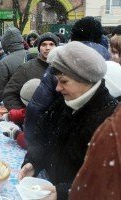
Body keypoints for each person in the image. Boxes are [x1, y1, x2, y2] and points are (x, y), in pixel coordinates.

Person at [19, 41, 118, 200]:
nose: (57, 88)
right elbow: (42, 138)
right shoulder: (63, 103)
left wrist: (65, 192)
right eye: (57, 80)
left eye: (63, 81)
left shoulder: (110, 119)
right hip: (51, 188)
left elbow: (106, 180)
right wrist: (33, 161)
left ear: (86, 80)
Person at [24, 16, 112, 143]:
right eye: (44, 44)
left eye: (64, 81)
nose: (58, 87)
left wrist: (32, 145)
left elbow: (37, 107)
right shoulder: (109, 59)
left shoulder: (65, 61)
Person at [68, 104, 121, 200]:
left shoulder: (111, 126)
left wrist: (61, 191)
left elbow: (89, 189)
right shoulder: (64, 104)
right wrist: (35, 161)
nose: (58, 88)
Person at [3, 32, 59, 110]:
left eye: (51, 44)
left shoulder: (63, 68)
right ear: (39, 48)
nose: (48, 48)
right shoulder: (26, 68)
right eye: (44, 44)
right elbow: (9, 94)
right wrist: (22, 113)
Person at [1, 79, 41, 149]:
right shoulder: (38, 107)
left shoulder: (44, 117)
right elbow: (25, 113)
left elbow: (35, 142)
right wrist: (11, 116)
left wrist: (17, 135)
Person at [0, 27, 27, 105]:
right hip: (34, 103)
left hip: (14, 104)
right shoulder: (32, 55)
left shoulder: (4, 62)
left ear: (5, 43)